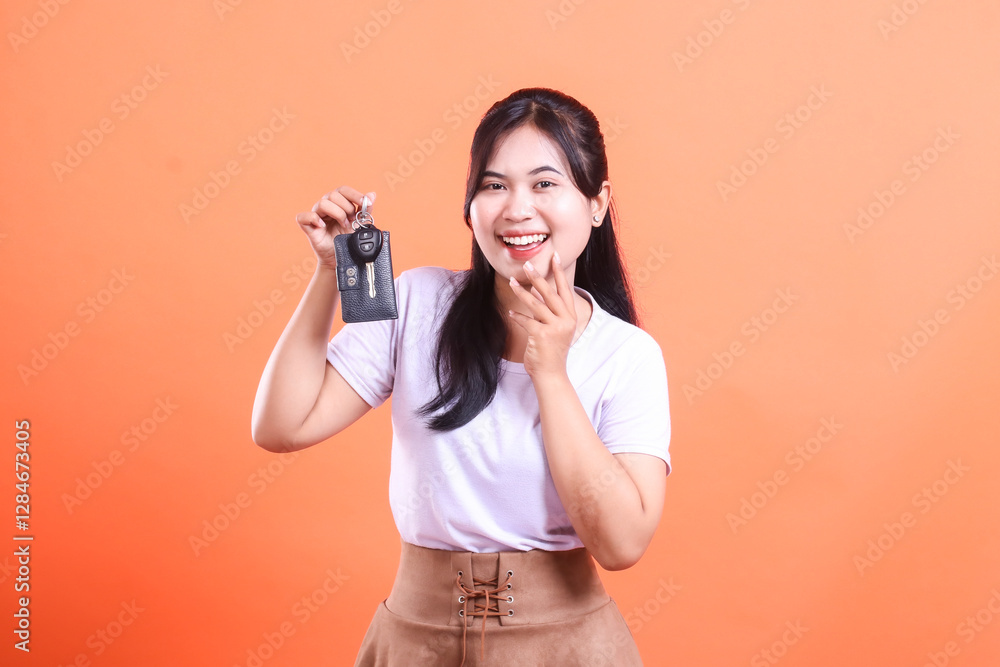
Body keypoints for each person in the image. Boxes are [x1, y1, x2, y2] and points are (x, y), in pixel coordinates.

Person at [251, 87, 672, 666]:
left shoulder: (628, 354)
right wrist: (330, 273)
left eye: (545, 183)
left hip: (566, 647)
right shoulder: (418, 303)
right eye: (494, 185)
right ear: (471, 206)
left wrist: (548, 371)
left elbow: (622, 543)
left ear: (597, 204)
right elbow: (281, 425)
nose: (517, 208)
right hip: (414, 641)